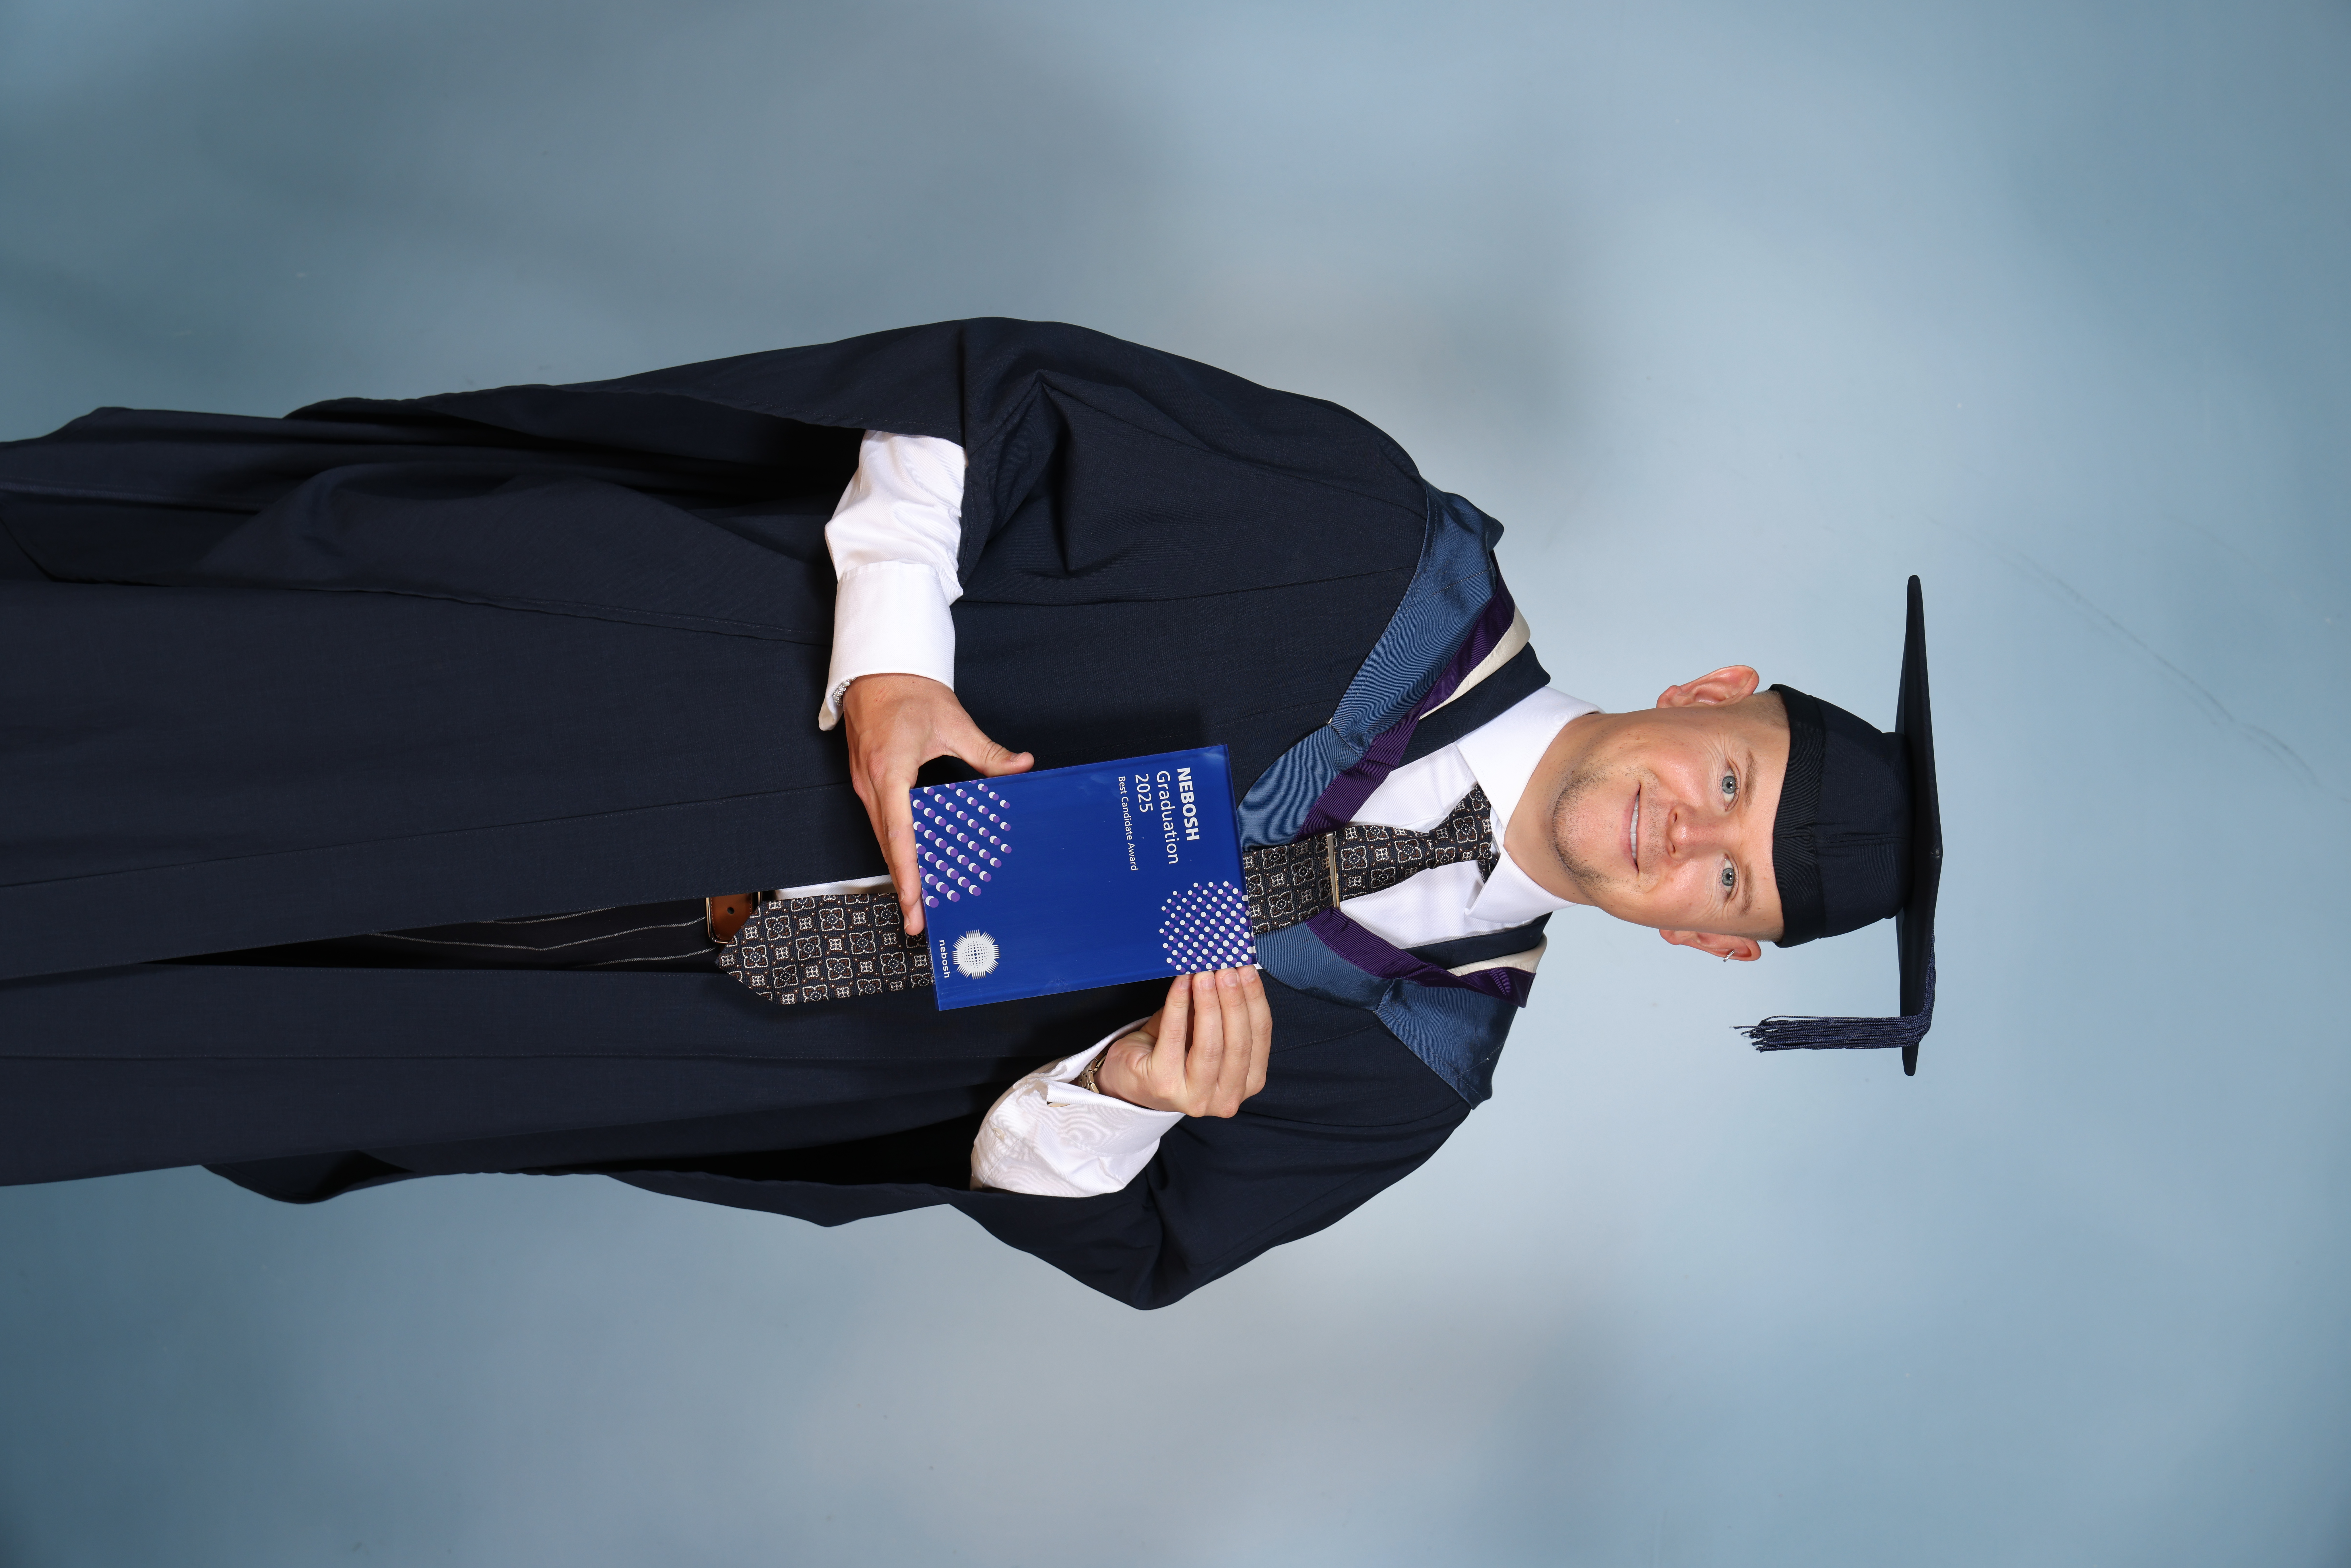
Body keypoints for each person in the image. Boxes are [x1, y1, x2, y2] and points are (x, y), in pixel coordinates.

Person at [0, 319, 1938, 1308]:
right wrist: (897, 667)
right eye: (1732, 781)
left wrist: (1123, 1095)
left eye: (1732, 876)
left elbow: (1101, 1227)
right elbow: (983, 405)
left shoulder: (1406, 1069)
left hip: (627, 1022)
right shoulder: (1364, 537)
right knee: (109, 710)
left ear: (1714, 943)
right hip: (593, 698)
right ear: (1710, 693)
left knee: (141, 1039)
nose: (1688, 832)